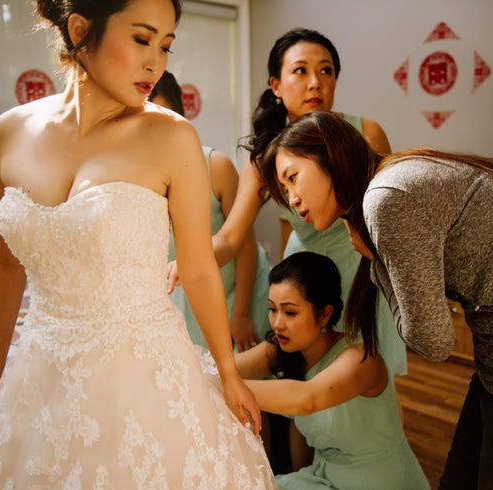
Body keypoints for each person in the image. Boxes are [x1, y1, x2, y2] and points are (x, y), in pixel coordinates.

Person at [0, 1, 276, 487]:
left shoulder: (172, 137)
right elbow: (4, 264)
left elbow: (195, 269)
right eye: (141, 39)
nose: (156, 62)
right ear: (81, 30)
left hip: (143, 375)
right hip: (42, 370)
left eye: (166, 46)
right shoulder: (8, 132)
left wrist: (230, 375)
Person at [258, 110, 493, 489]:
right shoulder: (396, 174)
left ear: (330, 156)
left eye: (293, 179)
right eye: (284, 191)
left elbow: (433, 342)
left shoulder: (386, 199)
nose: (292, 199)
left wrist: (373, 259)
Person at [168, 27, 407, 379]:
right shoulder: (264, 158)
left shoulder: (365, 131)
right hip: (306, 271)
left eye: (326, 71)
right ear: (276, 86)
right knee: (305, 371)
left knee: (366, 371)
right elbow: (232, 238)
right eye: (301, 70)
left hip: (363, 266)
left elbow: (391, 210)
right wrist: (189, 261)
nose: (316, 83)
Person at [235, 251, 429, 489]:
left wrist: (229, 388)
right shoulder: (283, 351)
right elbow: (223, 370)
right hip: (323, 476)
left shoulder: (360, 358)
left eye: (290, 312)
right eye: (272, 309)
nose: (277, 323)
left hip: (380, 480)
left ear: (325, 314)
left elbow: (307, 399)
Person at [150, 71, 271, 351]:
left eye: (162, 118)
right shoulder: (133, 177)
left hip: (233, 293)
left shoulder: (216, 165)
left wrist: (241, 315)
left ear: (181, 118)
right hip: (177, 299)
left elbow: (245, 245)